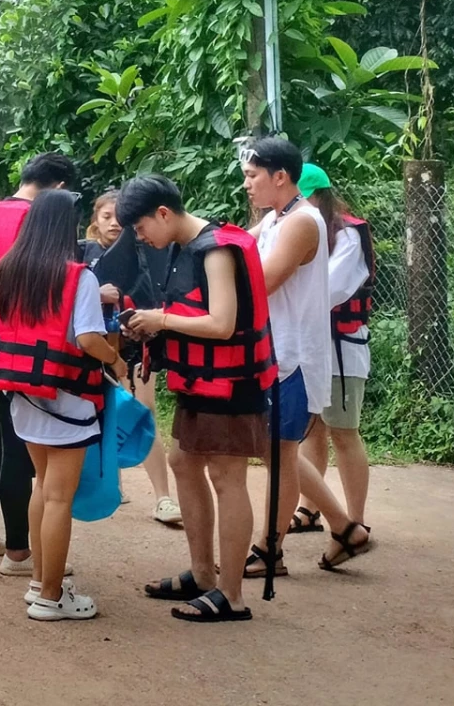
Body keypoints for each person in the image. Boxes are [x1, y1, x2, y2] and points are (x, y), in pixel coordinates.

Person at [118, 173, 277, 623]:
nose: (142, 237)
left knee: (228, 478)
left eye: (142, 227)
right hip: (201, 381)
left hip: (230, 384)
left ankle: (231, 595)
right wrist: (151, 323)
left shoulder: (216, 250)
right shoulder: (183, 248)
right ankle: (203, 574)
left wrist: (161, 320)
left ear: (164, 214)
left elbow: (222, 324)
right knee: (183, 463)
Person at [0, 189, 122, 620]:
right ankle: (51, 597)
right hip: (66, 399)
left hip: (23, 397)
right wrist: (116, 358)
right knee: (59, 497)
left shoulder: (6, 270)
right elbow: (86, 338)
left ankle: (39, 582)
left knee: (43, 486)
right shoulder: (77, 276)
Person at [239, 137, 359, 580]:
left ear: (280, 177)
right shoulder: (278, 219)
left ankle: (270, 549)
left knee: (280, 454)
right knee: (280, 455)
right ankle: (346, 527)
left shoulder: (301, 222)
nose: (247, 186)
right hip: (277, 354)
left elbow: (261, 281)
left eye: (253, 177)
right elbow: (235, 247)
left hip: (291, 358)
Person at [0, 152, 77, 573]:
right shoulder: (42, 222)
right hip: (23, 343)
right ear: (60, 189)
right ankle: (19, 552)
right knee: (17, 447)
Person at [79, 189, 181, 527]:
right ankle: (111, 483)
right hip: (94, 351)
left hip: (136, 351)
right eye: (105, 216)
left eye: (118, 217)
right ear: (95, 220)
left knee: (144, 413)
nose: (112, 223)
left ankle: (163, 498)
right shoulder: (82, 254)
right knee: (99, 416)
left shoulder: (150, 251)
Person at [294, 164, 377, 568]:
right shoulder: (301, 229)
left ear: (311, 196)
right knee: (313, 427)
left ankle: (355, 522)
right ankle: (310, 508)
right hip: (312, 345)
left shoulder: (345, 235)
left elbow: (329, 289)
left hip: (341, 347)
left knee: (344, 433)